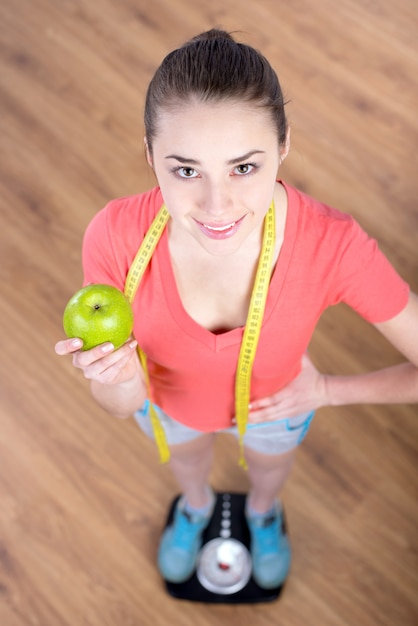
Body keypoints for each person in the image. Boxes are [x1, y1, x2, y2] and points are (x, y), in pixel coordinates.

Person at [55, 29, 418, 590]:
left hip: (278, 408)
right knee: (188, 464)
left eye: (244, 168)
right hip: (167, 403)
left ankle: (264, 512)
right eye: (186, 170)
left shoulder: (334, 245)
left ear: (284, 147)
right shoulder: (114, 235)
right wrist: (119, 376)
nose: (217, 206)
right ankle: (196, 506)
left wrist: (327, 391)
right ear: (150, 155)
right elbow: (119, 402)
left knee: (270, 470)